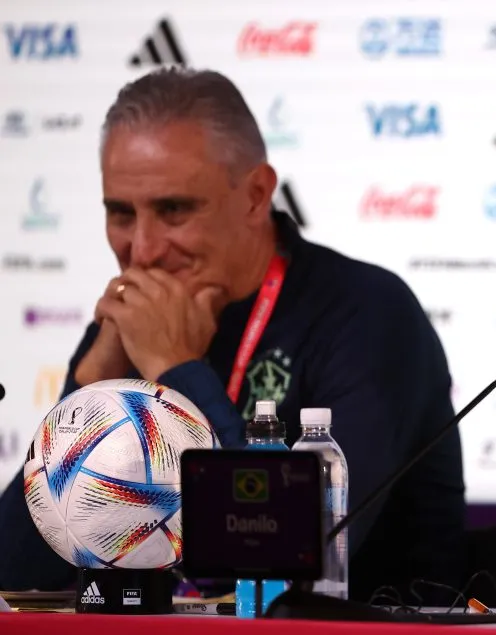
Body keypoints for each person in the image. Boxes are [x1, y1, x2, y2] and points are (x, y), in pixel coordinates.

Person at [0, 67, 467, 603]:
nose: (143, 249)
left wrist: (177, 370)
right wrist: (87, 389)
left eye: (174, 210)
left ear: (255, 195)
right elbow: (13, 570)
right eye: (121, 214)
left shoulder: (368, 312)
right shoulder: (136, 322)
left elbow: (292, 554)